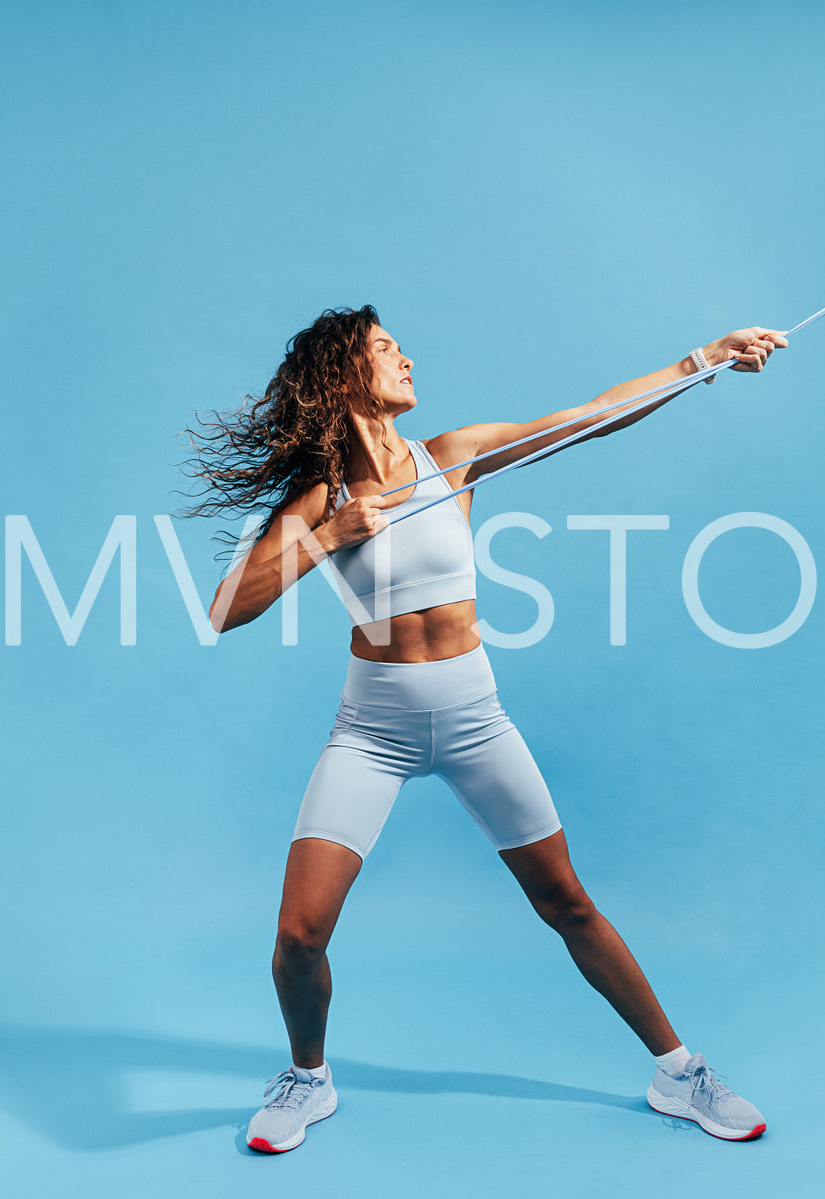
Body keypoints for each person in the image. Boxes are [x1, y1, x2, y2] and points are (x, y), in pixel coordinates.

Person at [181, 305, 785, 1153]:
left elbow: (587, 418)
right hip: (373, 728)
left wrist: (703, 359)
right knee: (297, 934)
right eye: (386, 349)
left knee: (565, 900)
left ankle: (677, 1072)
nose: (407, 359)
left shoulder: (451, 458)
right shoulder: (321, 498)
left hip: (472, 717)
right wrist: (325, 536)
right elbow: (222, 609)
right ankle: (307, 1077)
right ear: (344, 374)